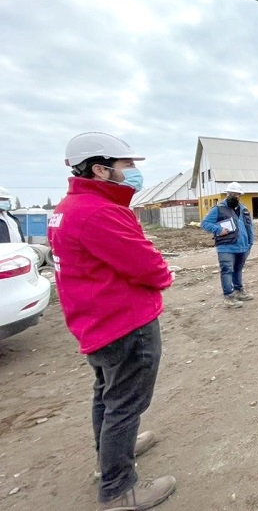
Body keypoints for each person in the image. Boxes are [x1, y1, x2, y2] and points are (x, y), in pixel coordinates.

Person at [47, 132, 176, 510]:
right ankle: (119, 488)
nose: (133, 173)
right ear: (101, 169)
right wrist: (163, 274)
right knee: (125, 401)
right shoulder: (98, 212)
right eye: (127, 166)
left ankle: (111, 453)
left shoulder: (70, 208)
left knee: (108, 393)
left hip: (96, 320)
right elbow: (146, 265)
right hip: (123, 322)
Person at [201, 182, 255, 308]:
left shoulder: (244, 209)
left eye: (236, 194)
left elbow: (249, 227)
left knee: (238, 269)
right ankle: (228, 297)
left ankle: (239, 290)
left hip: (243, 246)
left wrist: (250, 242)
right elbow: (205, 223)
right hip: (226, 246)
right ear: (227, 194)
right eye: (231, 194)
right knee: (227, 270)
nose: (234, 196)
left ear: (240, 195)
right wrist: (219, 230)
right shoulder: (218, 209)